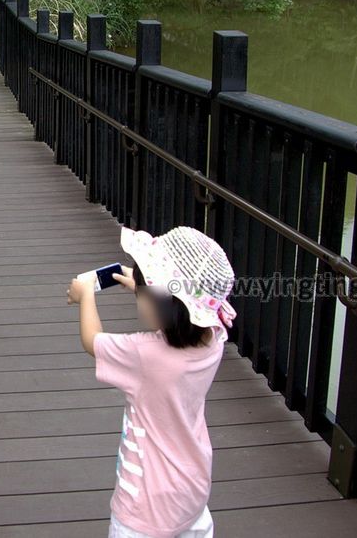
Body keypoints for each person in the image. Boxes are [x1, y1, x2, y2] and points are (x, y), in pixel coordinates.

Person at [66, 226, 237, 538]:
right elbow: (187, 302)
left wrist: (85, 296)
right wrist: (142, 285)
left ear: (161, 303)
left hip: (144, 506)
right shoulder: (214, 339)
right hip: (191, 490)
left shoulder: (146, 355)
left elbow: (93, 340)